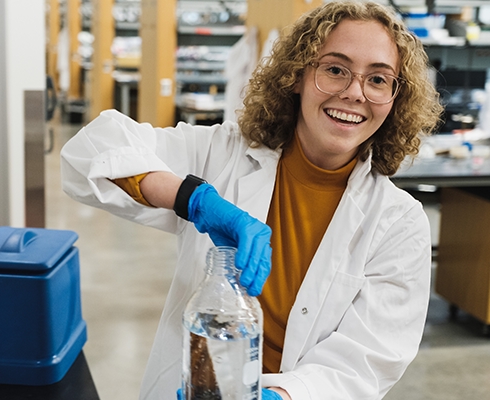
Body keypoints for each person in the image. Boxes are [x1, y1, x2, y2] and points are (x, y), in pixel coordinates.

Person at [60, 1, 443, 399]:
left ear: (396, 98)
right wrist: (191, 198)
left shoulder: (399, 224)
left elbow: (368, 360)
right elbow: (88, 151)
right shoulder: (221, 155)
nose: (354, 93)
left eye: (378, 80)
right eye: (334, 70)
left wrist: (279, 395)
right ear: (297, 75)